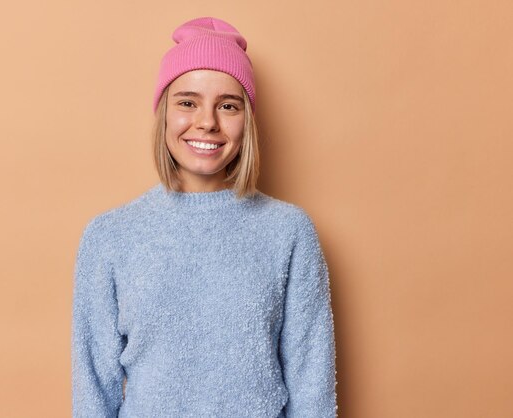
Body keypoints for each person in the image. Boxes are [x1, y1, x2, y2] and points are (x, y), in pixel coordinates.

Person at [71, 16, 338, 417]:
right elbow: (93, 392)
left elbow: (312, 385)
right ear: (164, 113)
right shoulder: (109, 237)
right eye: (187, 102)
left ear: (246, 121)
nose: (207, 122)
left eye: (228, 105)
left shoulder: (288, 232)